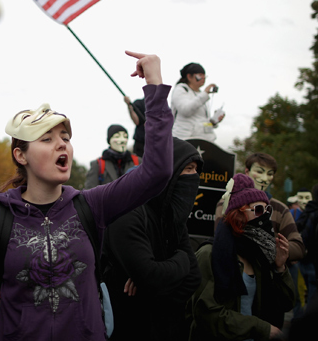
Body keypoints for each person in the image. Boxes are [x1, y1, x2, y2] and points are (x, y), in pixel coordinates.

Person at [0, 51, 174, 340]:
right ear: (20, 155)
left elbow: (157, 171)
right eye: (47, 139)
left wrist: (155, 88)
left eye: (66, 139)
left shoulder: (92, 205)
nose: (62, 145)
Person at [101, 138, 203, 341]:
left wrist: (151, 288)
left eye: (195, 170)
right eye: (188, 168)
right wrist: (181, 259)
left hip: (166, 330)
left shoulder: (172, 216)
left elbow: (193, 278)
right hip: (128, 329)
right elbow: (150, 275)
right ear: (167, 169)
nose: (194, 176)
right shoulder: (127, 211)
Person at [186, 174, 294, 341]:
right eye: (258, 209)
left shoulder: (259, 254)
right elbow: (206, 314)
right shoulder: (209, 254)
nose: (265, 216)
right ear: (239, 214)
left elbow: (284, 304)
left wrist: (280, 268)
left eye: (268, 210)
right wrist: (261, 328)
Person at [214, 153, 305, 263]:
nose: (264, 178)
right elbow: (221, 239)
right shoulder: (227, 203)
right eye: (259, 172)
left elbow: (298, 247)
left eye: (269, 173)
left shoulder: (279, 208)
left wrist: (273, 249)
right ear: (247, 172)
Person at [170, 62, 224, 142]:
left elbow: (202, 121)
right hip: (185, 139)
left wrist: (214, 121)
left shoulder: (202, 95)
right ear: (189, 76)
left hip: (202, 140)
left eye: (204, 76)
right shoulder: (181, 89)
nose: (203, 78)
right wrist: (205, 94)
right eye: (200, 75)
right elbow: (185, 110)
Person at [84, 124, 141, 189]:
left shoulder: (138, 162)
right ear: (109, 140)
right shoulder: (97, 165)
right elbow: (89, 192)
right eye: (117, 136)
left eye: (125, 136)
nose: (122, 140)